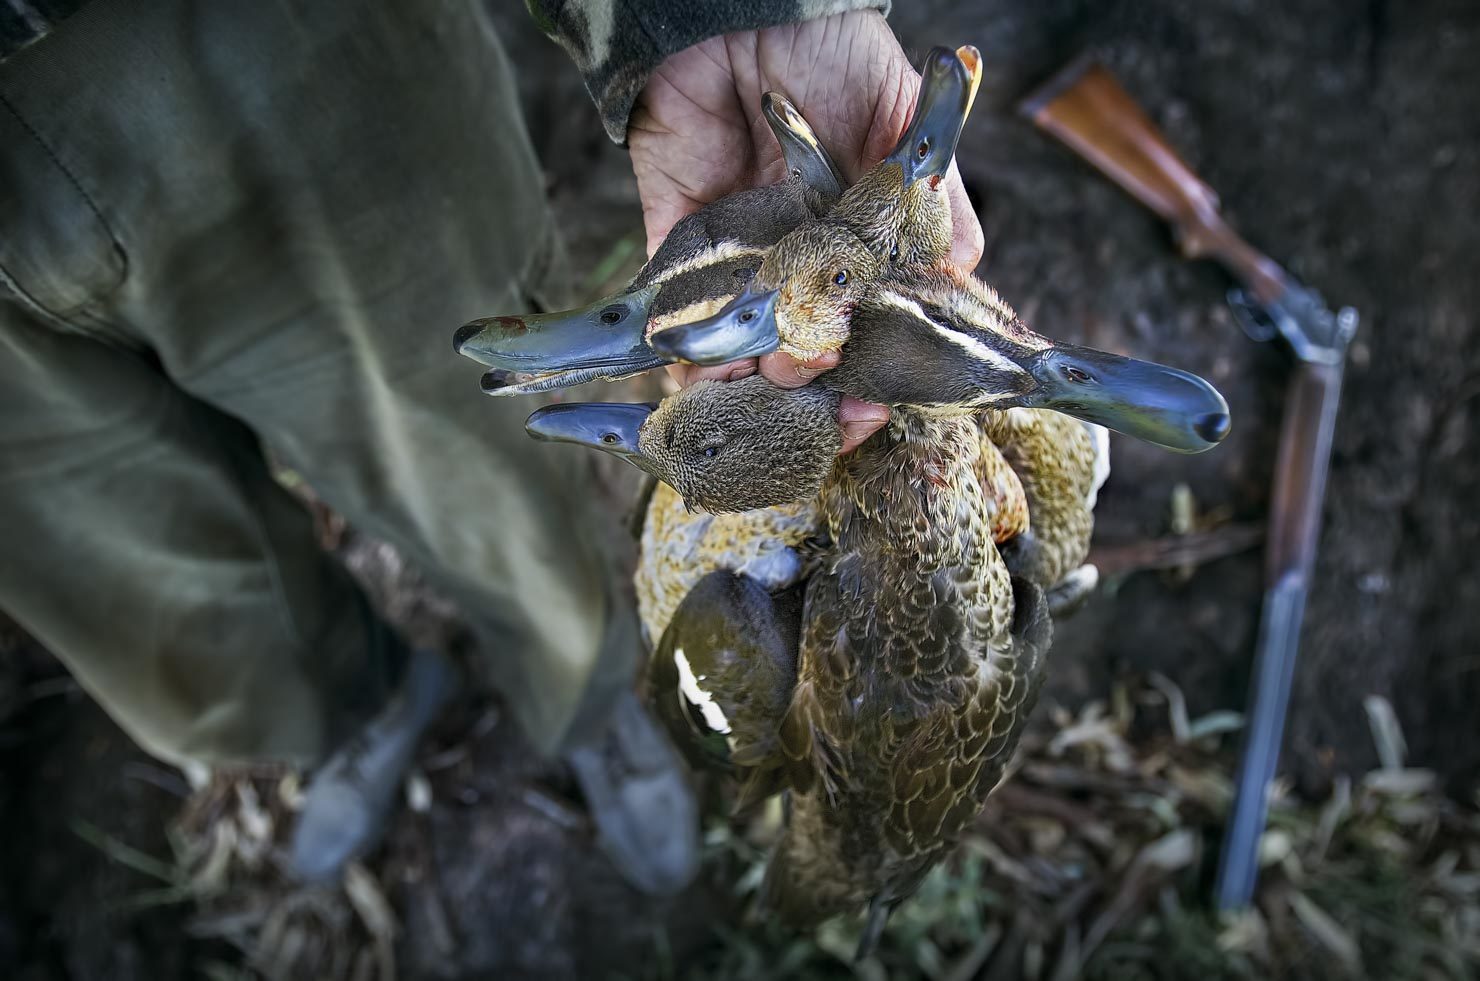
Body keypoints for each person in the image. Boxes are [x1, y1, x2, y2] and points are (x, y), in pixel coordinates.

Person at [0, 0, 983, 894]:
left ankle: (590, 699)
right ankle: (348, 704)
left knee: (471, 450)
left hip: (238, 47)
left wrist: (727, 12)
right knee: (117, 563)